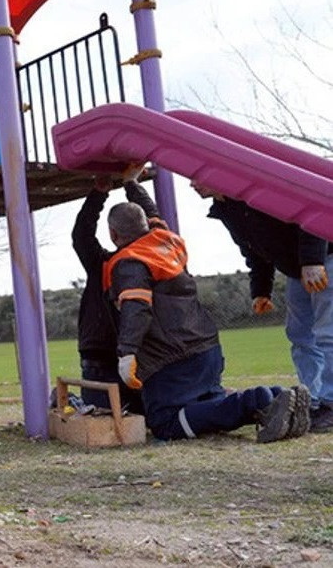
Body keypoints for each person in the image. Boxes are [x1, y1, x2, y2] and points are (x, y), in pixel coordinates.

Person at [102, 189, 310, 442]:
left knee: (165, 423)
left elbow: (136, 307)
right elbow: (152, 212)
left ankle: (260, 400)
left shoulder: (129, 262)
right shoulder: (166, 240)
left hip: (172, 358)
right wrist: (132, 183)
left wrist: (127, 353)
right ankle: (279, 396)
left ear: (113, 235)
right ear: (146, 224)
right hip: (205, 348)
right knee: (211, 403)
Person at [193, 185, 333, 432]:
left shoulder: (258, 193)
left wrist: (313, 259)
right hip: (296, 270)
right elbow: (255, 252)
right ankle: (313, 400)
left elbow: (311, 212)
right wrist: (261, 291)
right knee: (301, 336)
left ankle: (330, 404)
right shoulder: (227, 209)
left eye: (195, 176)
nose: (193, 184)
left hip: (324, 261)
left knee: (327, 334)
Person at [71, 176, 144, 414]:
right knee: (143, 418)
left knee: (103, 420)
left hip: (99, 355)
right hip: (140, 355)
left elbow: (82, 236)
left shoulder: (103, 264)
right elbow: (156, 222)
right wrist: (131, 184)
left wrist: (99, 193)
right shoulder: (155, 262)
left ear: (113, 234)